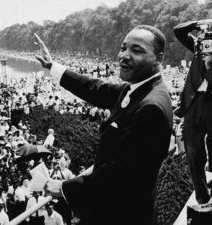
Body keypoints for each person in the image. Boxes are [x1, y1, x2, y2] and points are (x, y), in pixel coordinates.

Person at [35, 24, 173, 225]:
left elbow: (121, 174)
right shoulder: (137, 89)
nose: (124, 55)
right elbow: (94, 88)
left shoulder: (151, 107)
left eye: (137, 50)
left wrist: (65, 188)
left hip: (122, 214)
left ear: (158, 59)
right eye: (123, 47)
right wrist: (53, 67)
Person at [173, 19, 212, 204]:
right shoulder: (198, 44)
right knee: (193, 153)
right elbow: (178, 31)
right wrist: (198, 23)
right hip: (192, 103)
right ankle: (202, 197)